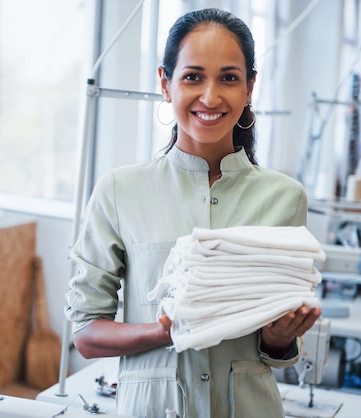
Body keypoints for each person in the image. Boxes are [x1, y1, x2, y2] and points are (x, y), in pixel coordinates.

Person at [64, 8, 321, 418]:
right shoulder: (120, 191)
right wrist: (166, 330)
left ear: (250, 86)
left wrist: (279, 338)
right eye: (193, 76)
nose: (210, 96)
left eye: (229, 78)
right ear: (166, 84)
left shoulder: (285, 198)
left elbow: (277, 350)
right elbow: (87, 334)